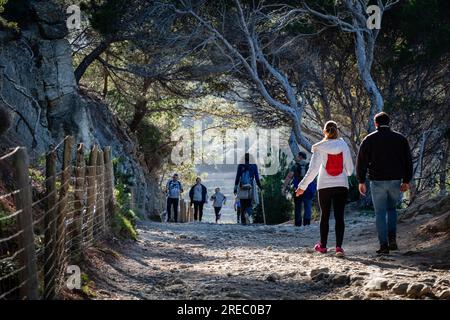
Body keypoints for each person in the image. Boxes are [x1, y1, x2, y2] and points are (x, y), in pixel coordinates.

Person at [356, 112, 413, 255]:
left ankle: (383, 245)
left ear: (376, 123)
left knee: (380, 213)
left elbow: (361, 161)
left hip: (377, 181)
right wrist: (406, 180)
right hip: (395, 180)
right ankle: (392, 239)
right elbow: (408, 161)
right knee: (392, 210)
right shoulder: (400, 139)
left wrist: (361, 180)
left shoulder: (369, 139)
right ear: (389, 122)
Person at [296, 121, 354, 257]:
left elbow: (313, 170)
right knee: (340, 216)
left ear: (324, 131)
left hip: (324, 186)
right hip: (341, 185)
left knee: (325, 215)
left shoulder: (319, 147)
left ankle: (322, 246)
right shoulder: (343, 145)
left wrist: (301, 187)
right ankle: (339, 247)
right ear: (337, 130)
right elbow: (350, 170)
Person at [282, 151, 317, 227]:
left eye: (297, 156)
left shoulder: (295, 166)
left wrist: (284, 187)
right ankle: (306, 223)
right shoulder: (310, 165)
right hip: (308, 188)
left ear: (300, 157)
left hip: (298, 188)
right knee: (307, 206)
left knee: (298, 206)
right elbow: (314, 177)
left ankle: (298, 224)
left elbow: (289, 176)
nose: (296, 158)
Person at [234, 153, 263, 225]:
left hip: (242, 186)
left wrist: (235, 188)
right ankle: (247, 213)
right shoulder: (254, 166)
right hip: (250, 187)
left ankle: (243, 222)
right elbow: (257, 178)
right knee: (250, 204)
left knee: (242, 204)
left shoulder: (240, 166)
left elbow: (237, 177)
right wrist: (260, 187)